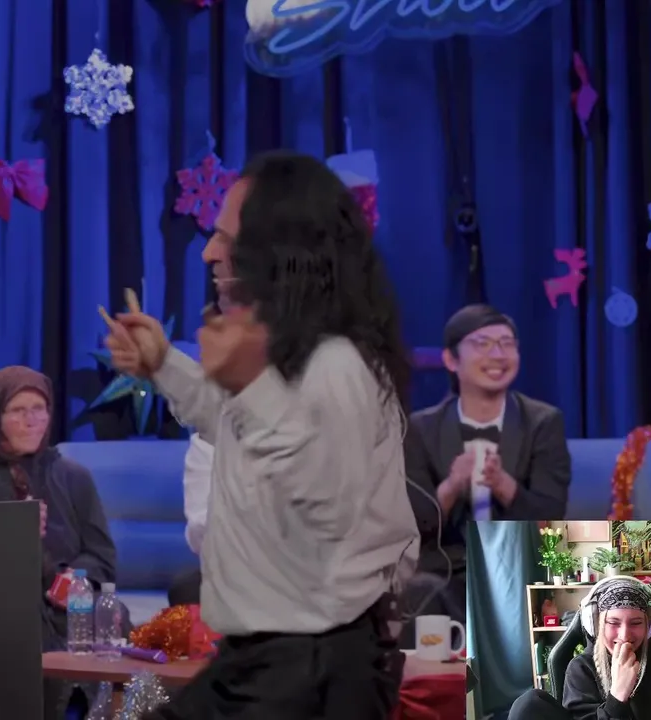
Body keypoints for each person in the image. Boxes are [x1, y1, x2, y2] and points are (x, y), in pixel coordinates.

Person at [103, 151, 419, 718]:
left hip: (313, 666)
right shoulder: (287, 356)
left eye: (227, 239)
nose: (208, 252)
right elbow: (233, 422)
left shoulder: (338, 364)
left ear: (278, 254)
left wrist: (249, 385)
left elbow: (324, 509)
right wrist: (163, 364)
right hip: (264, 659)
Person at [0, 366, 122, 720]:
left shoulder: (74, 477)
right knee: (23, 633)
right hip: (1, 607)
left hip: (70, 606)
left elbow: (102, 555)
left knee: (112, 621)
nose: (30, 421)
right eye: (17, 411)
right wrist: (12, 534)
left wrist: (73, 581)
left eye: (39, 409)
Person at [402, 306, 571, 640]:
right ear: (451, 359)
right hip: (445, 569)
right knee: (419, 591)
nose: (497, 354)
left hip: (517, 561)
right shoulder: (421, 429)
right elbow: (409, 524)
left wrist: (502, 483)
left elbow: (551, 516)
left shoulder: (543, 422)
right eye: (482, 344)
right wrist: (452, 486)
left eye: (507, 344)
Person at [510, 576, 651, 720]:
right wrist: (618, 694)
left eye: (636, 623)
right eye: (613, 622)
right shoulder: (581, 669)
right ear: (597, 624)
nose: (625, 635)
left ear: (649, 625)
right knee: (527, 705)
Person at [165, 433, 210, 607]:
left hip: (286, 567)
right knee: (186, 590)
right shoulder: (208, 443)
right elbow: (200, 533)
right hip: (232, 569)